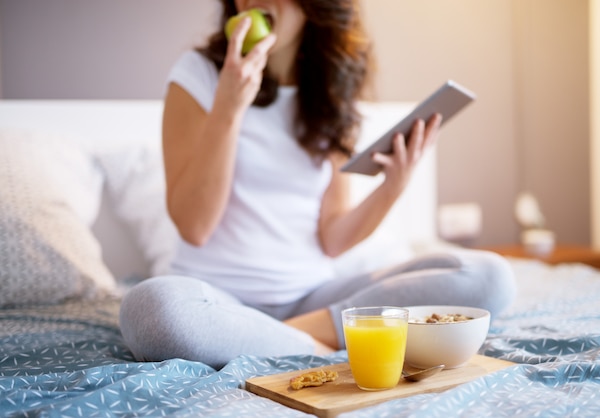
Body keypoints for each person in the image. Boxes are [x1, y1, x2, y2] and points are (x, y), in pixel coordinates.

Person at [119, 0, 516, 369]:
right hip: (219, 302)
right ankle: (323, 342)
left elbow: (333, 238)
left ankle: (293, 337)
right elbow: (194, 225)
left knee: (488, 276)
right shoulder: (199, 75)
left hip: (313, 300)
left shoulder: (330, 88)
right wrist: (228, 106)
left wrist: (392, 187)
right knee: (152, 311)